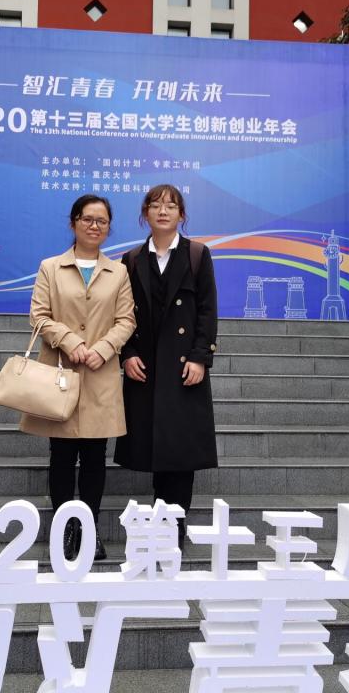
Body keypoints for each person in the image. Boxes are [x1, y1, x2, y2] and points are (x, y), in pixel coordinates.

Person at [20, 195, 135, 561]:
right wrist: (70, 342)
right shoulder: (51, 268)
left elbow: (126, 320)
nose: (94, 226)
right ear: (73, 222)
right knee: (62, 456)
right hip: (61, 373)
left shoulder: (118, 272)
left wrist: (103, 348)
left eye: (102, 221)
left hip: (100, 375)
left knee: (95, 457)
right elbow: (39, 316)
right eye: (87, 219)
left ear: (109, 228)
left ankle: (89, 529)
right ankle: (64, 530)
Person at [116, 184, 218, 547]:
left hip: (183, 368)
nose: (163, 211)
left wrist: (200, 356)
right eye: (156, 205)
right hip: (145, 368)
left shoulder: (197, 254)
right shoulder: (131, 260)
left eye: (171, 206)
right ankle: (160, 520)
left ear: (181, 215)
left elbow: (207, 310)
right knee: (155, 448)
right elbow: (121, 314)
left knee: (180, 450)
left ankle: (175, 526)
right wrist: (126, 353)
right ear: (145, 213)